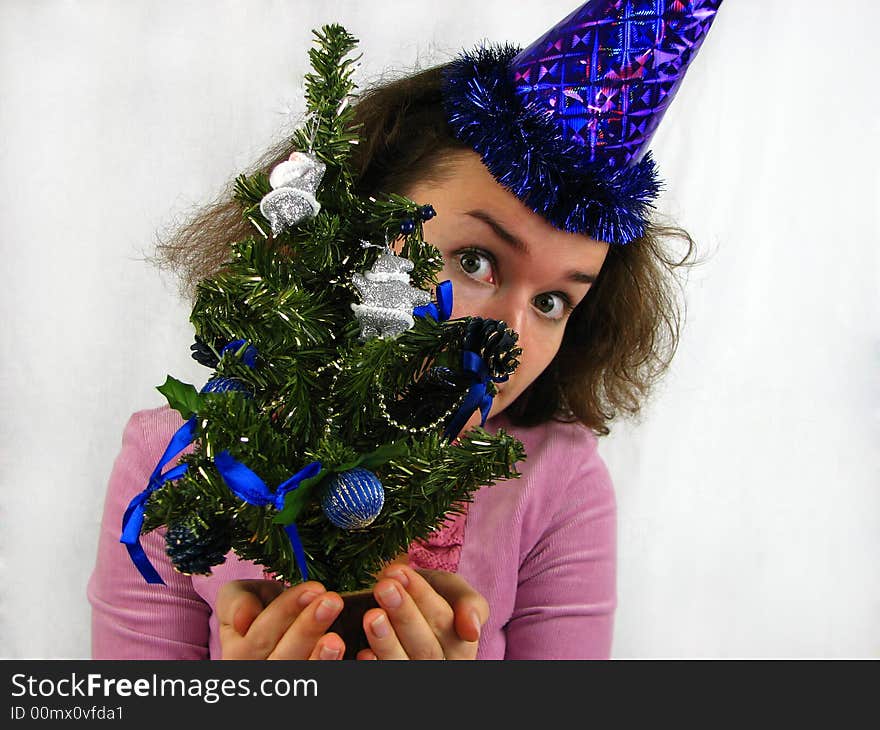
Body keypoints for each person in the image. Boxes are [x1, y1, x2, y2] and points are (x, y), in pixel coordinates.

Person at [88, 0, 721, 660]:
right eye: (475, 261)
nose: (508, 339)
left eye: (554, 303)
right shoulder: (174, 465)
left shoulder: (558, 486)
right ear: (355, 219)